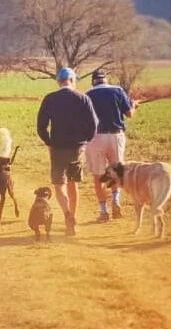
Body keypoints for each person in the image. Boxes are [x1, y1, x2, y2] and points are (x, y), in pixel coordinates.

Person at [36, 67, 98, 236]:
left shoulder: (50, 99)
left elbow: (41, 126)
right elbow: (93, 125)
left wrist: (49, 142)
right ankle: (73, 217)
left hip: (57, 148)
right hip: (77, 148)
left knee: (59, 185)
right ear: (72, 80)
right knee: (73, 183)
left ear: (59, 82)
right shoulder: (83, 98)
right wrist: (85, 141)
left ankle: (67, 215)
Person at [84, 69, 137, 221]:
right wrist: (133, 106)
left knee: (98, 175)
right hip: (116, 136)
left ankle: (103, 211)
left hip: (95, 138)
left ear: (93, 81)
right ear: (105, 79)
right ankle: (116, 201)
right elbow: (129, 114)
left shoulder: (87, 95)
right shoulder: (118, 90)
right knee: (117, 172)